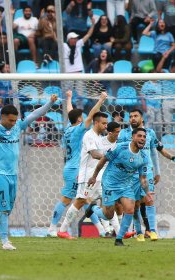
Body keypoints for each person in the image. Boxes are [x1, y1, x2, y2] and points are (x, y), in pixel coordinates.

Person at [0, 89, 59, 250]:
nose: (14, 123)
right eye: (11, 120)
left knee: (5, 209)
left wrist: (50, 102)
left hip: (13, 174)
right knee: (3, 208)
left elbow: (35, 114)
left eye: (15, 120)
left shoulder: (17, 127)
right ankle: (5, 241)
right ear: (3, 117)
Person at [47, 91, 108, 237]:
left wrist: (68, 98)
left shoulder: (69, 127)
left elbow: (70, 112)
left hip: (71, 167)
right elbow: (93, 115)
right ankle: (52, 228)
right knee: (67, 199)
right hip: (75, 169)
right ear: (80, 119)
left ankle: (102, 230)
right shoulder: (79, 130)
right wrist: (101, 100)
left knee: (86, 199)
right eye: (82, 117)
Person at [57, 116, 123, 239]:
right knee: (80, 201)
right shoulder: (89, 135)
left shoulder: (99, 138)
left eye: (107, 123)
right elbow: (94, 154)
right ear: (96, 122)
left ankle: (120, 232)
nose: (105, 126)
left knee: (109, 201)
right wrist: (112, 157)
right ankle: (62, 230)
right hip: (87, 176)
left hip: (98, 176)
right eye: (103, 123)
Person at [86, 128, 152, 246]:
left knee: (130, 209)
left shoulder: (144, 157)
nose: (142, 138)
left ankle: (119, 239)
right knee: (108, 215)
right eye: (140, 136)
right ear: (133, 137)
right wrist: (94, 176)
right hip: (110, 183)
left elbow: (143, 179)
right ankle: (93, 208)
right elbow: (103, 159)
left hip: (126, 185)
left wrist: (147, 193)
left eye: (144, 137)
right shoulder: (120, 147)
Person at [118, 108, 175, 240]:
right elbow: (119, 153)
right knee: (135, 204)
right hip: (130, 174)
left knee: (149, 200)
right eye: (130, 116)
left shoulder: (149, 133)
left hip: (147, 172)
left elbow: (157, 150)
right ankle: (139, 233)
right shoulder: (124, 134)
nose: (132, 118)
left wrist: (160, 169)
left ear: (141, 118)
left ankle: (153, 231)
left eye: (135, 116)